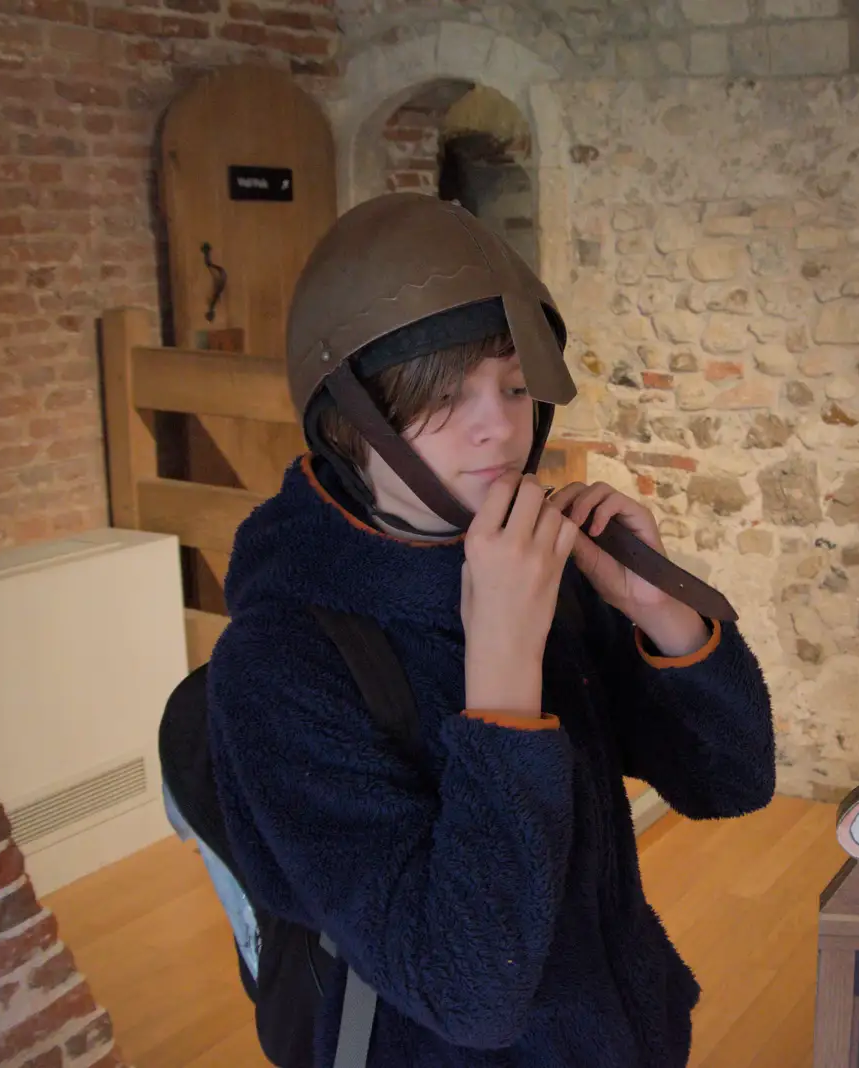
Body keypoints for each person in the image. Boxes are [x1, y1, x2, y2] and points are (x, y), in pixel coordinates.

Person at [205, 193, 776, 1066]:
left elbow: (730, 780)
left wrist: (659, 610)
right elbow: (467, 991)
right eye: (439, 395)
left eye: (514, 385)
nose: (500, 427)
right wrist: (503, 670)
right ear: (347, 422)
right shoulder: (280, 661)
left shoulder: (525, 555)